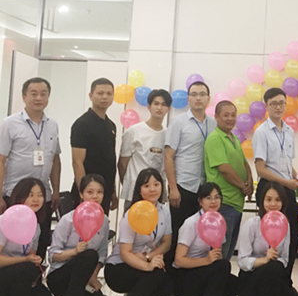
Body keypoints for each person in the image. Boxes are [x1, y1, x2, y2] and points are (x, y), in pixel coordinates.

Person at [164, 80, 214, 296]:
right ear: (188, 98)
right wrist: (172, 188)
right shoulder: (178, 123)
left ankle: (195, 288)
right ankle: (168, 289)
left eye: (202, 94)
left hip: (204, 191)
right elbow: (168, 156)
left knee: (200, 240)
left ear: (208, 98)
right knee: (176, 239)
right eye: (194, 94)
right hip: (183, 188)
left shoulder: (213, 124)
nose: (198, 98)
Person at [104, 168, 173, 296]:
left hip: (143, 260)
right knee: (155, 275)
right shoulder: (132, 214)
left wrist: (149, 257)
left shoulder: (164, 210)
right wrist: (147, 266)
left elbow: (166, 242)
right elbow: (125, 253)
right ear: (139, 190)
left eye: (156, 184)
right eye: (146, 185)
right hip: (118, 268)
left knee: (168, 283)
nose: (152, 189)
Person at [237, 182, 298, 296]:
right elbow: (242, 261)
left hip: (274, 278)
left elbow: (285, 259)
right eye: (268, 199)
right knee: (274, 266)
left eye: (278, 200)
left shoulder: (286, 225)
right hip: (251, 280)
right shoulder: (252, 224)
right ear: (262, 201)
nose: (273, 204)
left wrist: (272, 262)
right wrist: (264, 260)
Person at [0, 77, 61, 258]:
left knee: (40, 243)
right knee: (13, 245)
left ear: (48, 97)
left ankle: (35, 275)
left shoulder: (52, 125)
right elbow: (1, 160)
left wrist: (56, 191)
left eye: (43, 94)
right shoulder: (9, 124)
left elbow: (55, 159)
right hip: (15, 194)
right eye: (33, 94)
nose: (38, 98)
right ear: (24, 97)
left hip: (42, 196)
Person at [47, 174, 110, 296]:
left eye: (99, 192)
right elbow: (53, 255)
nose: (95, 196)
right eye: (90, 192)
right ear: (81, 194)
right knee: (89, 255)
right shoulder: (68, 220)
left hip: (84, 280)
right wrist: (74, 252)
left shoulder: (104, 221)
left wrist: (93, 277)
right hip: (60, 277)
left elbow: (102, 253)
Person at [173, 182, 240, 296]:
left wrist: (212, 262)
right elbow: (179, 260)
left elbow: (217, 256)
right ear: (200, 201)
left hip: (202, 271)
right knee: (224, 266)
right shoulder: (191, 223)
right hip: (183, 277)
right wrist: (206, 260)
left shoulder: (219, 222)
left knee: (234, 283)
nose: (213, 201)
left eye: (217, 197)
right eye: (208, 197)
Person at [252, 88, 298, 279]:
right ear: (266, 105)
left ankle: (285, 282)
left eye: (281, 103)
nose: (278, 107)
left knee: (294, 236)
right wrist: (285, 182)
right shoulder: (261, 132)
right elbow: (260, 169)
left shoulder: (289, 131)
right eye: (273, 103)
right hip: (269, 190)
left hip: (287, 190)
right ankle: (268, 282)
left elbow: (287, 164)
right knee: (270, 238)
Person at [0, 177, 54, 296]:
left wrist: (34, 259)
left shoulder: (35, 225)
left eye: (40, 195)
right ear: (20, 196)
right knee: (26, 268)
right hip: (5, 273)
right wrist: (25, 259)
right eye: (31, 195)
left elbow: (28, 251)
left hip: (17, 277)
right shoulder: (5, 221)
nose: (36, 199)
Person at [204, 100, 253, 260]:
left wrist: (250, 183)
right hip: (223, 203)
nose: (230, 118)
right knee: (220, 252)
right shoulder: (215, 139)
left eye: (233, 115)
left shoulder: (234, 138)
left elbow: (245, 163)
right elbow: (224, 168)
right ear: (216, 117)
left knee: (229, 251)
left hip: (236, 202)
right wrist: (243, 186)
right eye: (226, 115)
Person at [118, 89, 172, 210]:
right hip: (135, 192)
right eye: (156, 103)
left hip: (157, 193)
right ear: (149, 106)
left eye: (164, 105)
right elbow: (122, 163)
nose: (159, 108)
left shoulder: (168, 134)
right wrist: (130, 184)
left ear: (168, 109)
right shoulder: (134, 131)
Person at [71, 78, 117, 214]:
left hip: (104, 191)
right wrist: (84, 193)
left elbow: (110, 160)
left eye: (109, 94)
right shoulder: (82, 124)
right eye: (100, 93)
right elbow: (77, 162)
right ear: (91, 96)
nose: (105, 97)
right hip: (89, 192)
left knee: (102, 225)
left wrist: (112, 190)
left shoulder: (111, 125)